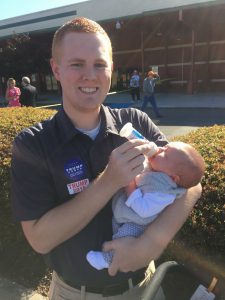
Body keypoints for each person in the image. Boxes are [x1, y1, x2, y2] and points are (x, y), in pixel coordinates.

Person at [11, 17, 202, 300]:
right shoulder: (33, 144)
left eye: (100, 64)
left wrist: (148, 247)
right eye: (77, 64)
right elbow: (40, 239)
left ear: (111, 68)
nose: (90, 75)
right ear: (56, 69)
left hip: (145, 287)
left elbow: (189, 186)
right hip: (75, 294)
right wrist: (109, 182)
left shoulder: (135, 121)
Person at [86, 141, 205, 270]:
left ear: (173, 177)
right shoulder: (156, 168)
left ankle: (108, 258)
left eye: (165, 154)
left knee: (125, 236)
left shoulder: (163, 192)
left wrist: (130, 183)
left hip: (137, 223)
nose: (159, 149)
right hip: (125, 213)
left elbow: (143, 209)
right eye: (164, 147)